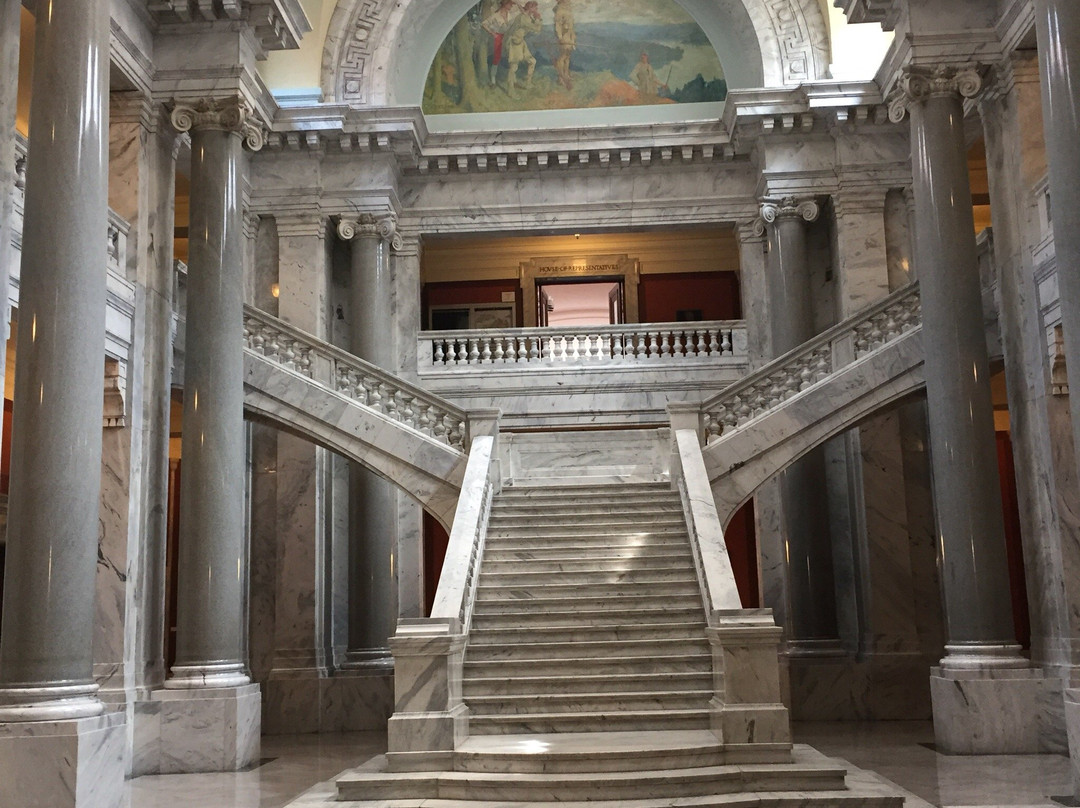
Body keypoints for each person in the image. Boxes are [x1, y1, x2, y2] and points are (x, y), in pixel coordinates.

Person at [482, 0, 522, 88]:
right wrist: (493, 33)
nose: (511, 6)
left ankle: (514, 80)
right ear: (505, 4)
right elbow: (484, 24)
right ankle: (493, 81)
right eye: (510, 4)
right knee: (497, 58)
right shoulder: (496, 15)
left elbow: (522, 13)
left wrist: (518, 3)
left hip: (508, 37)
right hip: (499, 37)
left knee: (512, 57)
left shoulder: (510, 14)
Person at [506, 1, 542, 97]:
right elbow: (536, 29)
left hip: (521, 42)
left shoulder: (527, 17)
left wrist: (535, 19)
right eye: (535, 8)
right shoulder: (523, 18)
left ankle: (528, 84)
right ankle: (510, 91)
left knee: (532, 61)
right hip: (514, 42)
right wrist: (538, 19)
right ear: (531, 8)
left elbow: (536, 29)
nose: (537, 10)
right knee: (513, 67)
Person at [554, 0, 575, 90]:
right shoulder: (559, 11)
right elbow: (557, 26)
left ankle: (566, 75)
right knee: (562, 56)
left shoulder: (568, 10)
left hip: (570, 36)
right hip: (564, 36)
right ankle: (561, 77)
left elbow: (572, 26)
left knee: (568, 56)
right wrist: (560, 38)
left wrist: (573, 38)